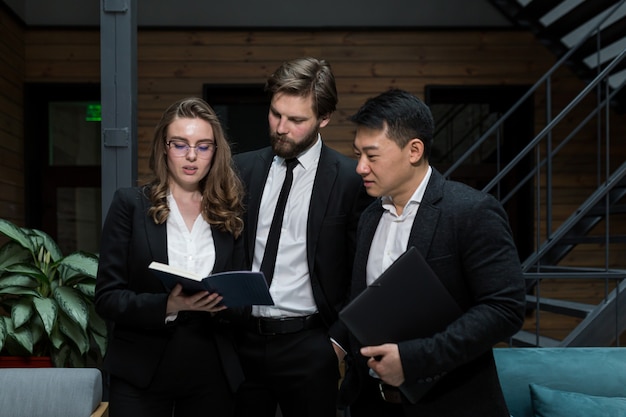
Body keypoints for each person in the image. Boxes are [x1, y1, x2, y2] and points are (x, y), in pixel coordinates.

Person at [338, 88, 527, 416]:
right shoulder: (368, 217)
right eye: (358, 155)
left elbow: (505, 309)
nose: (360, 168)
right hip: (371, 403)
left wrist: (412, 361)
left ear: (414, 150)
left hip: (451, 403)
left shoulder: (471, 211)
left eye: (372, 155)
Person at [232, 57, 374, 417]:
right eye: (276, 114)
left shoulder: (350, 181)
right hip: (240, 342)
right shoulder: (241, 169)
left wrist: (338, 342)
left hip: (311, 344)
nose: (281, 128)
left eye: (296, 120)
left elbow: (362, 271)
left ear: (323, 119)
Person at [95, 97, 246, 417]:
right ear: (164, 147)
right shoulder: (130, 205)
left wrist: (228, 303)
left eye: (203, 146)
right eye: (180, 144)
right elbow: (107, 298)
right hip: (141, 373)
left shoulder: (228, 212)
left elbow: (242, 298)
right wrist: (168, 305)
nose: (192, 156)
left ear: (215, 153)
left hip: (212, 372)